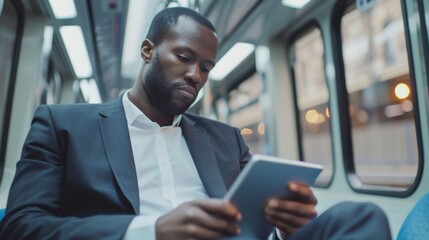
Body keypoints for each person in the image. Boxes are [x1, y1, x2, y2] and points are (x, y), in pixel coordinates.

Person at [0, 7, 391, 240]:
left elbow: (254, 222)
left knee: (361, 217)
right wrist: (152, 231)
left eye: (206, 67)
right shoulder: (63, 124)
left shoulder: (226, 139)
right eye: (184, 57)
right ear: (148, 50)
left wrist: (288, 226)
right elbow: (20, 226)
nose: (196, 75)